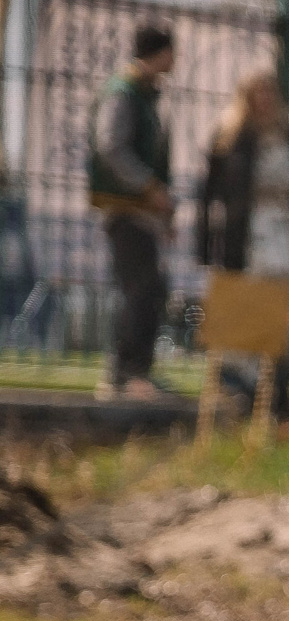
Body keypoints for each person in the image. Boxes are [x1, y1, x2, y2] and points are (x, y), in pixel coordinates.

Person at [196, 70, 289, 422]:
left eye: (269, 92)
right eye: (256, 92)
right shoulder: (231, 136)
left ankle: (277, 397)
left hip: (285, 239)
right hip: (244, 240)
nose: (263, 99)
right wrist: (205, 245)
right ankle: (239, 392)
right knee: (241, 317)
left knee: (279, 318)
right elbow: (210, 195)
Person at [88, 23, 176, 400]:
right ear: (161, 52)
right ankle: (126, 373)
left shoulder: (142, 93)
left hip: (141, 212)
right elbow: (111, 146)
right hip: (125, 210)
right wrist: (147, 187)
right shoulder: (124, 92)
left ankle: (134, 370)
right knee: (139, 289)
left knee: (149, 289)